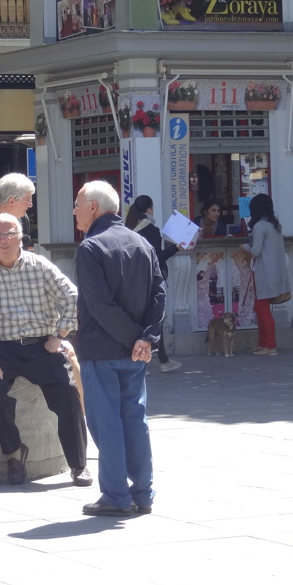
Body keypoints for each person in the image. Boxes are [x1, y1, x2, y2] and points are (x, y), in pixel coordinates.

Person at [0, 213, 91, 487]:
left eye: (10, 234)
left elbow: (72, 296)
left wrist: (60, 334)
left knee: (67, 390)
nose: (4, 240)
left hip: (42, 344)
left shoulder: (40, 266)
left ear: (20, 238)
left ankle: (79, 464)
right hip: (4, 348)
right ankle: (15, 452)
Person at [73, 181, 165, 516]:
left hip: (103, 349)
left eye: (78, 204)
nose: (74, 211)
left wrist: (135, 339)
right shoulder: (142, 242)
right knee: (135, 421)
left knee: (107, 423)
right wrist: (146, 338)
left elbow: (99, 305)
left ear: (93, 207)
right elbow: (159, 295)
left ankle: (115, 495)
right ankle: (143, 492)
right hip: (134, 352)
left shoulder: (91, 247)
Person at [125, 195, 181, 373]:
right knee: (155, 318)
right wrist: (176, 248)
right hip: (149, 280)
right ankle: (159, 360)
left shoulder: (128, 228)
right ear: (149, 209)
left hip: (130, 279)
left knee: (136, 319)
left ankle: (147, 360)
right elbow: (157, 258)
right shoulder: (152, 230)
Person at [242, 193, 290, 355]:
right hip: (275, 271)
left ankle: (269, 345)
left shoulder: (259, 226)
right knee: (262, 307)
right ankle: (263, 343)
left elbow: (255, 251)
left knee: (262, 309)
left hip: (263, 272)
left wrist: (244, 247)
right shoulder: (275, 225)